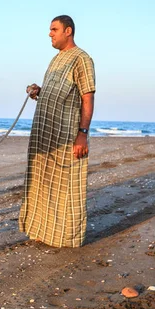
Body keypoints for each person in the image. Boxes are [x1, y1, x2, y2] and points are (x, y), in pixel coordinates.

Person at [18, 15, 96, 248]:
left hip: (66, 135)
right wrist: (38, 91)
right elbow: (58, 93)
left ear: (68, 31)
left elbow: (87, 97)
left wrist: (82, 133)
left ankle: (67, 238)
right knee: (42, 182)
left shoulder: (82, 59)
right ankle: (43, 231)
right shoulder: (55, 60)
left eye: (54, 29)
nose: (50, 34)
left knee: (67, 187)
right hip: (44, 136)